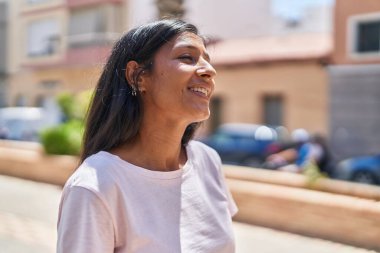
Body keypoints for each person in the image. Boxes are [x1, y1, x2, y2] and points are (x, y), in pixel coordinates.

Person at [57, 19, 238, 253]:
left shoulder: (207, 161)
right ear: (138, 76)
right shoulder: (94, 187)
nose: (209, 70)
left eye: (207, 60)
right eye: (187, 57)